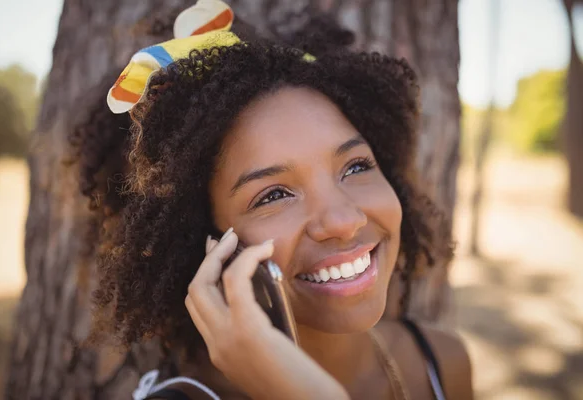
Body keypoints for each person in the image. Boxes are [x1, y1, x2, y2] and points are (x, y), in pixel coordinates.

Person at [81, 1, 473, 398]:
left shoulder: (441, 362)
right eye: (274, 194)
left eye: (355, 167)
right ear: (209, 241)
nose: (342, 220)